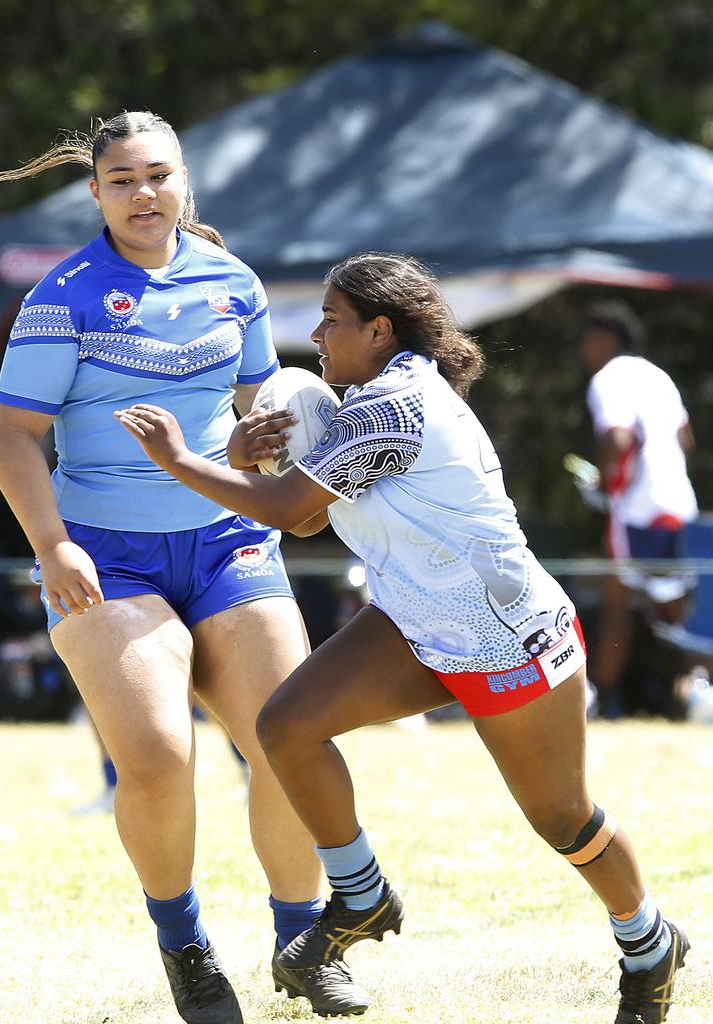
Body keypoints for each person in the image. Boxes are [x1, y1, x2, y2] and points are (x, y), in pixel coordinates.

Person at [116, 253, 689, 1024]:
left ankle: (648, 943)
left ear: (379, 329)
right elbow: (309, 511)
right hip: (417, 621)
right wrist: (239, 454)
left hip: (506, 635)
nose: (316, 333)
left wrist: (181, 460)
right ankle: (360, 894)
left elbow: (289, 508)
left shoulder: (393, 406)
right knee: (285, 727)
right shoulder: (371, 399)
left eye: (331, 319)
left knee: (564, 819)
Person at [0, 111, 370, 1022]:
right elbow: (10, 438)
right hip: (103, 553)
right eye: (122, 181)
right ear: (98, 194)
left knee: (288, 737)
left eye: (158, 176)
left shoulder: (235, 283)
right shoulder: (63, 295)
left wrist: (268, 454)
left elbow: (258, 417)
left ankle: (303, 939)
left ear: (185, 180)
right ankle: (184, 943)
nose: (143, 195)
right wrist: (52, 544)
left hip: (228, 543)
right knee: (155, 756)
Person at [577, 302, 698, 717]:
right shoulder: (658, 376)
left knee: (618, 601)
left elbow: (619, 437)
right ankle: (696, 690)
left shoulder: (609, 378)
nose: (583, 350)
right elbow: (685, 440)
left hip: (637, 509)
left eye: (588, 339)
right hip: (679, 503)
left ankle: (602, 700)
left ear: (609, 338)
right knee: (680, 607)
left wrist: (605, 482)